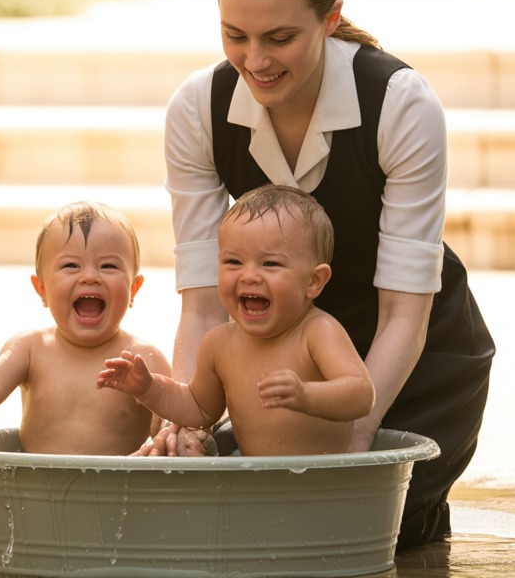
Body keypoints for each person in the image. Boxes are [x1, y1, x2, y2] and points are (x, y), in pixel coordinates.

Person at [158, 0, 494, 545]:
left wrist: (352, 450)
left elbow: (405, 313)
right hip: (278, 352)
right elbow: (203, 303)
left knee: (383, 536)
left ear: (331, 16)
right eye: (235, 35)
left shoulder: (401, 103)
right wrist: (190, 421)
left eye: (279, 38)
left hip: (414, 358)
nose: (254, 61)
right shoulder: (197, 110)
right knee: (238, 529)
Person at [98, 185, 374, 456]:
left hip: (328, 485)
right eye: (233, 262)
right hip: (255, 485)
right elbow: (197, 408)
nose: (249, 275)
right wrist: (149, 389)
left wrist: (307, 395)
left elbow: (361, 394)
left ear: (313, 282)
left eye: (270, 264)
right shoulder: (220, 344)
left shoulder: (317, 332)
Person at [0, 201, 171, 456]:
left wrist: (165, 427)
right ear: (41, 289)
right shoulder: (30, 348)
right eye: (71, 266)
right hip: (37, 490)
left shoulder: (144, 358)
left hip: (119, 492)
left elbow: (173, 423)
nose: (89, 276)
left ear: (133, 289)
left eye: (108, 266)